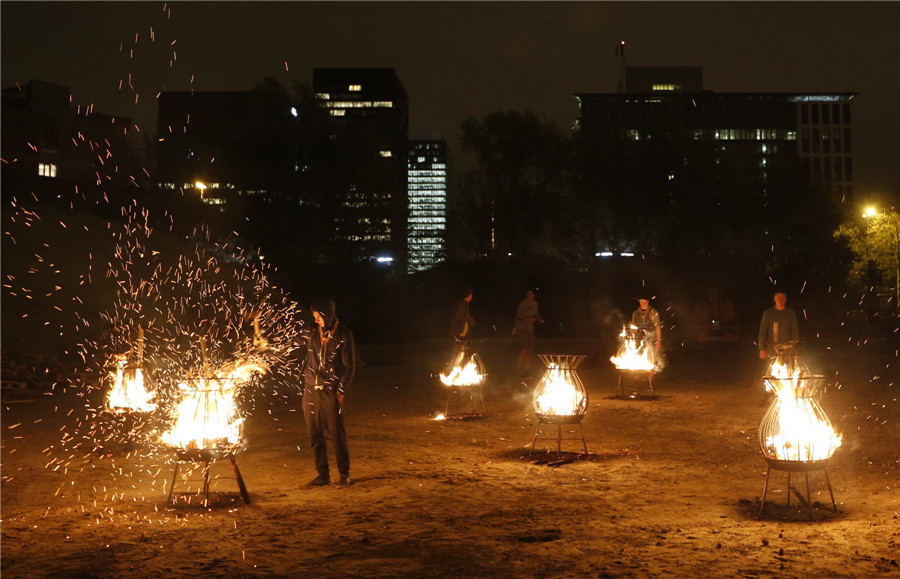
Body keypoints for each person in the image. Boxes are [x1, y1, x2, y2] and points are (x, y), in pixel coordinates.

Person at [301, 298, 356, 488]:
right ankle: (322, 475)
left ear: (328, 315)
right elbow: (287, 341)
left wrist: (340, 391)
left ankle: (344, 474)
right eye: (314, 316)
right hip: (310, 391)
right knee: (315, 435)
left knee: (336, 435)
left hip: (330, 392)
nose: (316, 320)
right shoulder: (310, 333)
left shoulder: (343, 335)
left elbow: (350, 368)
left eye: (319, 316)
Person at [758, 290, 800, 360]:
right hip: (772, 348)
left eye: (783, 298)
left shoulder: (790, 313)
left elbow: (795, 331)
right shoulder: (768, 313)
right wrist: (762, 349)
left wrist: (796, 348)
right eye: (778, 297)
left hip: (788, 349)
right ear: (774, 299)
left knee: (787, 369)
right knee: (772, 369)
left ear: (785, 299)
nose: (780, 300)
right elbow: (763, 332)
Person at [631, 293, 665, 372]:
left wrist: (658, 342)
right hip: (638, 340)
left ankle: (649, 381)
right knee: (637, 359)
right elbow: (633, 327)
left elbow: (658, 328)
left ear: (648, 302)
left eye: (645, 301)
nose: (643, 303)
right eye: (641, 301)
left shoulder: (653, 312)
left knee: (651, 360)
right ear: (639, 302)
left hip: (651, 339)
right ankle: (637, 381)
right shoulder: (635, 313)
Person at [514, 289, 544, 374]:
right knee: (524, 349)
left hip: (530, 329)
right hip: (522, 328)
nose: (529, 296)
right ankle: (518, 368)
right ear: (526, 295)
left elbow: (535, 314)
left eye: (531, 294)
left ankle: (526, 370)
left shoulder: (535, 304)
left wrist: (539, 319)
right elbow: (518, 316)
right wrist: (527, 319)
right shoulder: (522, 303)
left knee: (529, 350)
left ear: (533, 295)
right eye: (528, 294)